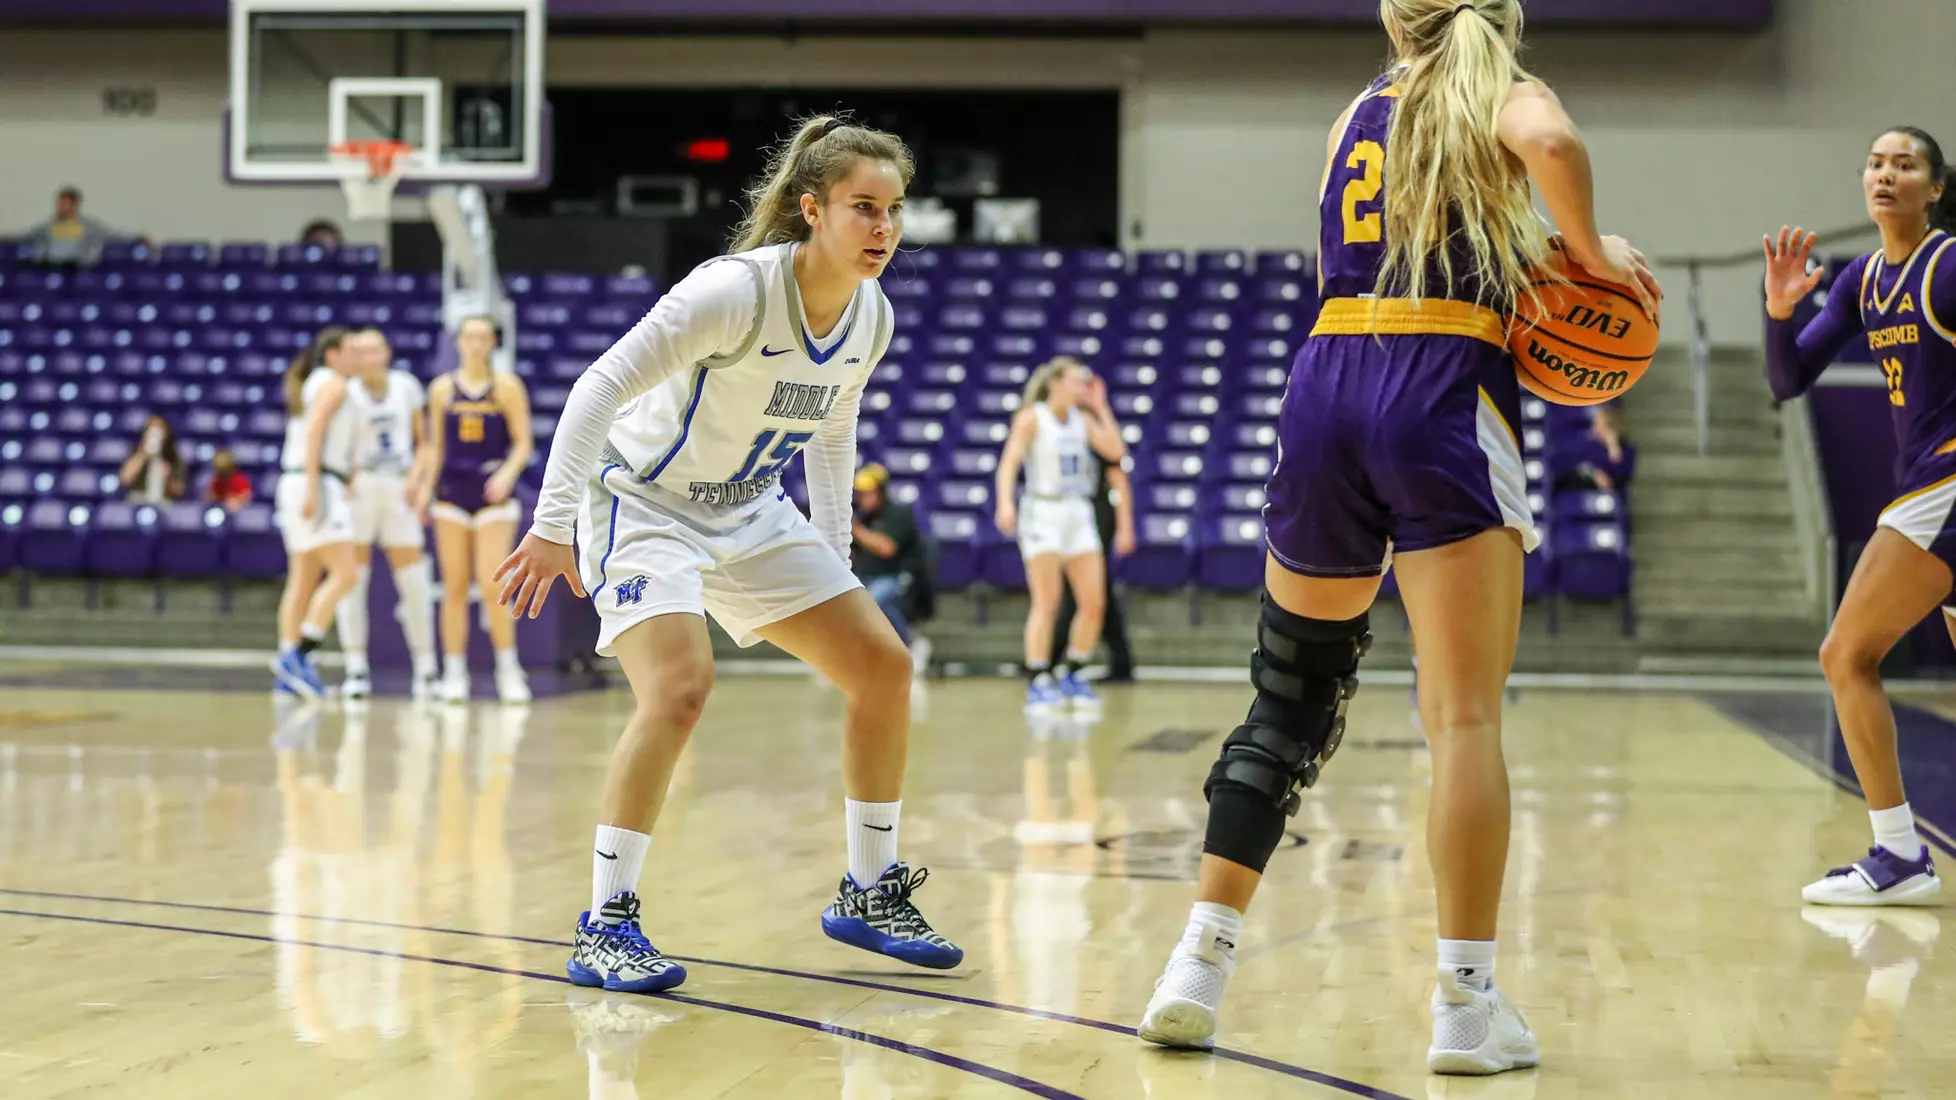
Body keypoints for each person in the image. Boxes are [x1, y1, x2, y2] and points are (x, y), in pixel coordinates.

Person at [1136, 0, 1660, 1074]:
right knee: (1462, 718)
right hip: (1443, 378)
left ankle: (1196, 960)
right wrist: (1590, 254)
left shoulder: (1352, 114)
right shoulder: (1509, 96)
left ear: (1395, 17)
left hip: (1327, 376)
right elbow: (1552, 145)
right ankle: (1465, 1009)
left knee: (1288, 695)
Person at [491, 114, 961, 995]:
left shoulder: (872, 317)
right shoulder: (732, 291)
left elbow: (831, 427)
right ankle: (607, 923)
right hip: (641, 501)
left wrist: (831, 559)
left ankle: (868, 891)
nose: (884, 230)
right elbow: (597, 387)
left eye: (894, 211)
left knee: (884, 668)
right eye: (865, 208)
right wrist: (553, 525)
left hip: (748, 508)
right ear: (812, 209)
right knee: (678, 689)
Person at [1762, 125, 1956, 908]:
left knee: (1845, 655)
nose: (1885, 175)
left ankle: (1899, 852)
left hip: (1941, 485)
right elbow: (1789, 379)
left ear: (1934, 188)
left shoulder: (1948, 265)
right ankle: (1900, 854)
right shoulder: (1862, 281)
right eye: (1875, 164)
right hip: (1925, 484)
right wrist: (1778, 309)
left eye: (1904, 165)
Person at [993, 356, 1131, 712]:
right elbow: (1009, 462)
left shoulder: (1083, 420)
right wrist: (1005, 503)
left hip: (1078, 509)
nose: (1082, 387)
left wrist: (1101, 407)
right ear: (1055, 383)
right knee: (1048, 599)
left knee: (1093, 601)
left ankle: (1072, 670)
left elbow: (1116, 452)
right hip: (1043, 509)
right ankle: (1038, 676)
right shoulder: (1032, 417)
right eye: (1076, 380)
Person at [426, 317, 535, 704]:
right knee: (453, 586)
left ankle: (508, 668)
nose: (475, 343)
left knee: (492, 586)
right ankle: (453, 671)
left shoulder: (506, 386)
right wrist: (425, 488)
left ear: (492, 343)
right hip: (451, 493)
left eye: (483, 337)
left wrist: (507, 474)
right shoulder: (442, 389)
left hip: (492, 494)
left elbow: (524, 442)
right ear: (458, 342)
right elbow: (435, 447)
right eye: (469, 337)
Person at [336, 328, 441, 701]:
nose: (367, 357)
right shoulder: (345, 392)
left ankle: (427, 669)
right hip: (360, 487)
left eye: (373, 350)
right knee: (353, 581)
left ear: (386, 352)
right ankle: (355, 668)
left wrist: (419, 482)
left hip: (399, 485)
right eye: (359, 351)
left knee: (413, 581)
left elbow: (426, 442)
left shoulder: (406, 386)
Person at [271, 328, 366, 700]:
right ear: (333, 355)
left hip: (301, 480)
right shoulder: (334, 385)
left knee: (303, 578)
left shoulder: (317, 382)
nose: (359, 359)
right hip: (314, 482)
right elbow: (314, 433)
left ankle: (286, 673)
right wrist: (315, 485)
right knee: (346, 573)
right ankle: (298, 656)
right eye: (352, 351)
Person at [1049, 374, 1138, 682]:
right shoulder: (1055, 422)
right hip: (1065, 508)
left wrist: (1100, 407)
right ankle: (1121, 662)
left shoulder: (1089, 423)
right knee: (1095, 591)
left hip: (1094, 510)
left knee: (1084, 590)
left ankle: (1049, 659)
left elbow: (1118, 464)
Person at [850, 462, 932, 670]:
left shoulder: (898, 514)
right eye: (860, 494)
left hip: (898, 577)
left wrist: (856, 530)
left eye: (868, 493)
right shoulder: (862, 517)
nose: (863, 499)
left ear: (881, 492)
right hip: (866, 576)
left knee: (874, 601)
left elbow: (887, 548)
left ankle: (910, 644)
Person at [22, 186, 120, 268]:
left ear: (74, 205)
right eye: (59, 203)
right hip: (51, 265)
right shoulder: (48, 225)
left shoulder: (88, 225)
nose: (60, 207)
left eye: (65, 203)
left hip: (75, 267)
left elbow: (110, 234)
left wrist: (133, 237)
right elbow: (28, 235)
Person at [1552, 402, 1636, 493]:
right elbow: (1574, 465)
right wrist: (1594, 474)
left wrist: (1613, 445)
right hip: (1584, 487)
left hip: (1610, 495)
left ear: (1609, 426)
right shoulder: (1587, 444)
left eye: (1597, 424)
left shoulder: (1628, 450)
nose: (1593, 428)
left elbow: (1620, 476)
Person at [118, 414, 186, 503]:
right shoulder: (136, 453)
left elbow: (179, 491)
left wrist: (168, 478)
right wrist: (142, 454)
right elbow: (125, 479)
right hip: (138, 498)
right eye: (151, 431)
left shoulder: (174, 457)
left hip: (164, 501)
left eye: (159, 431)